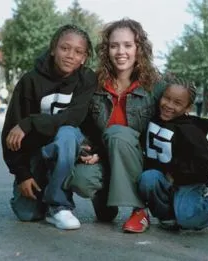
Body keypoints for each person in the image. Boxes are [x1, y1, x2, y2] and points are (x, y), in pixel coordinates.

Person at [64, 18, 162, 233]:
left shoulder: (155, 86)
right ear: (106, 49)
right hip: (106, 157)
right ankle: (108, 197)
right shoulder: (94, 84)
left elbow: (169, 131)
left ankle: (139, 210)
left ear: (139, 48)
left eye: (128, 45)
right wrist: (91, 150)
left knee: (118, 134)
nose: (120, 51)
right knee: (81, 178)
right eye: (114, 45)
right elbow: (85, 126)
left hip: (141, 161)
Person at [1, 25, 97, 230]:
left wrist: (30, 123)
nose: (70, 55)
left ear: (84, 57)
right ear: (53, 48)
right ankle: (45, 183)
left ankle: (59, 205)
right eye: (65, 48)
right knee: (27, 213)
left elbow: (74, 116)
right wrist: (22, 174)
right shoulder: (30, 80)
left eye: (78, 51)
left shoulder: (87, 79)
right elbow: (11, 131)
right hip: (37, 151)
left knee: (66, 133)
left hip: (67, 146)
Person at [137, 79, 208, 231]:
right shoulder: (153, 119)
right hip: (164, 180)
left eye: (177, 103)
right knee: (147, 179)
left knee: (188, 219)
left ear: (188, 107)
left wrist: (176, 172)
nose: (169, 105)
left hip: (189, 182)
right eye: (166, 98)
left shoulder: (190, 131)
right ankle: (168, 215)